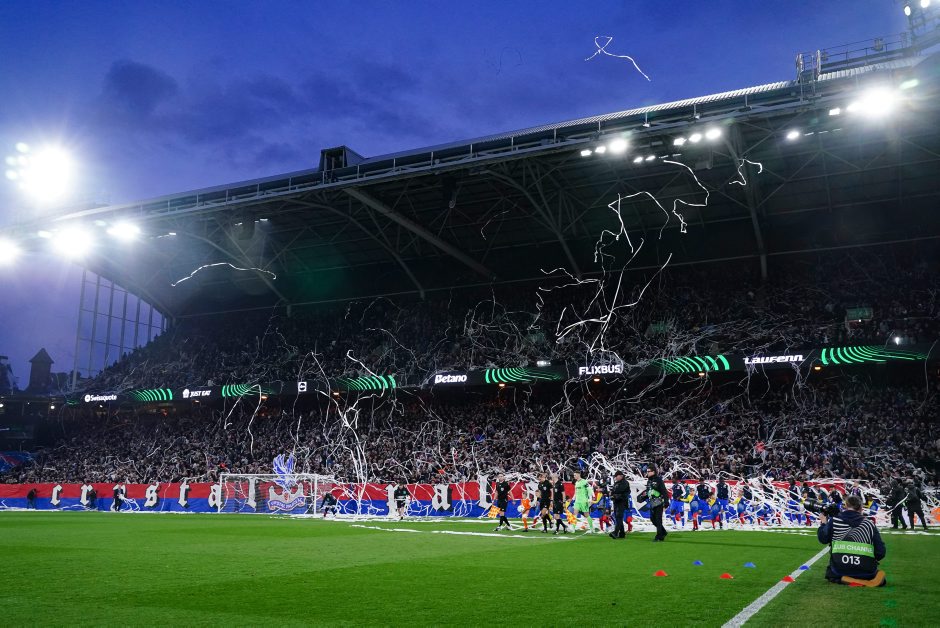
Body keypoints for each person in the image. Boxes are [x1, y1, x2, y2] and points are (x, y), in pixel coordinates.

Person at [818, 494, 886, 587]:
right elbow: (880, 552)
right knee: (877, 574)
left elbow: (823, 539)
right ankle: (864, 580)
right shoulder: (869, 524)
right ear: (861, 508)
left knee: (831, 573)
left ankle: (845, 578)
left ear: (845, 506)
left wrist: (823, 523)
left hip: (839, 569)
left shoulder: (835, 521)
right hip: (865, 571)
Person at [645, 466, 669, 542]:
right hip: (652, 502)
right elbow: (649, 492)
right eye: (647, 471)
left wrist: (666, 501)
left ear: (653, 472)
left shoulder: (659, 480)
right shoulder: (649, 481)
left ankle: (659, 536)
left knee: (658, 519)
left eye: (649, 471)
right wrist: (643, 497)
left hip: (658, 501)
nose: (647, 473)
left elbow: (664, 491)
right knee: (653, 519)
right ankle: (663, 532)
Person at [609, 470, 630, 539]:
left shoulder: (625, 483)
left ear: (621, 476)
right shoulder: (616, 483)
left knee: (619, 517)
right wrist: (612, 494)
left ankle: (615, 532)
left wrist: (614, 494)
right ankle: (622, 533)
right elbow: (613, 491)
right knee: (618, 517)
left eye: (616, 476)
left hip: (622, 502)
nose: (615, 477)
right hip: (616, 501)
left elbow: (619, 490)